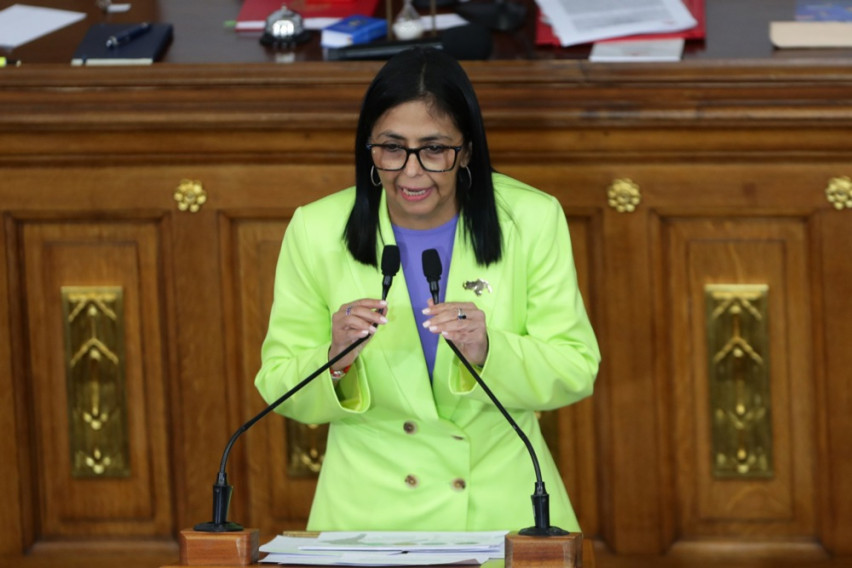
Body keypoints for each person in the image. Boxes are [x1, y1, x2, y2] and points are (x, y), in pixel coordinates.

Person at [254, 47, 600, 532]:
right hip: (367, 517)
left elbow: (575, 368)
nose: (411, 171)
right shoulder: (316, 229)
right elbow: (278, 386)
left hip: (501, 512)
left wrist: (489, 351)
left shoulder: (531, 219)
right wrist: (334, 359)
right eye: (392, 148)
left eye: (434, 149)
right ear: (369, 148)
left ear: (467, 150)